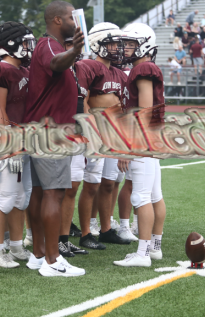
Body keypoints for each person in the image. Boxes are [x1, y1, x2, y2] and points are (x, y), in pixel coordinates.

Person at [23, 0, 86, 277]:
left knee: (39, 194)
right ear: (58, 20)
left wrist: (73, 51)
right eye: (72, 17)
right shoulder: (50, 44)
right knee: (53, 193)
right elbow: (56, 64)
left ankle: (38, 255)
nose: (77, 21)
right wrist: (75, 50)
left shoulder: (55, 46)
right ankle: (52, 259)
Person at [115, 23, 166, 267]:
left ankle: (143, 253)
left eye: (131, 44)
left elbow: (144, 111)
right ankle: (154, 246)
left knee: (141, 196)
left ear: (144, 44)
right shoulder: (143, 67)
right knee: (154, 195)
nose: (125, 48)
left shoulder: (143, 68)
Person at [0, 21, 36, 268]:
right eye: (25, 42)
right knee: (6, 196)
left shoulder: (24, 71)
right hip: (10, 142)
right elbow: (0, 108)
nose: (30, 47)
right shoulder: (2, 70)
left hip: (24, 141)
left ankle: (16, 246)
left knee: (22, 197)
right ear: (11, 45)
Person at [79, 22, 130, 249]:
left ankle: (106, 228)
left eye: (117, 44)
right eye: (111, 43)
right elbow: (84, 101)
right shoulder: (89, 66)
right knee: (91, 184)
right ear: (97, 43)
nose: (116, 48)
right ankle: (87, 230)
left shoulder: (119, 73)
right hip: (97, 132)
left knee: (109, 183)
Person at [58, 36, 96, 257]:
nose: (75, 48)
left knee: (72, 189)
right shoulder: (56, 70)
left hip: (78, 136)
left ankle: (64, 238)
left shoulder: (80, 70)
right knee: (56, 191)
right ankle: (46, 238)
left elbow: (86, 102)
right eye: (69, 43)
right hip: (60, 135)